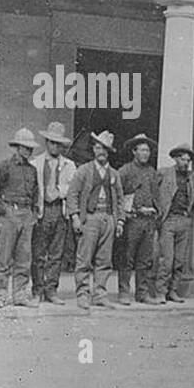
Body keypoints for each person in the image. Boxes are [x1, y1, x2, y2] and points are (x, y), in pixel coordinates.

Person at [65, 131, 124, 310]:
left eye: (105, 149)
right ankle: (83, 294)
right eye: (98, 147)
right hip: (89, 218)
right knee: (84, 259)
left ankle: (100, 294)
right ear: (93, 149)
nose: (101, 152)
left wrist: (119, 221)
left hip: (108, 218)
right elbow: (72, 194)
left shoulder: (114, 174)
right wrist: (75, 216)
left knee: (104, 260)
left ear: (109, 152)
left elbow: (120, 199)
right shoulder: (84, 170)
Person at [0, 127, 40, 307]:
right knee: (4, 258)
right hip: (8, 213)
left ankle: (20, 294)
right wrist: (5, 212)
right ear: (17, 147)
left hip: (26, 215)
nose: (28, 151)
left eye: (30, 148)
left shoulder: (32, 170)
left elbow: (35, 193)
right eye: (25, 147)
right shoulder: (3, 167)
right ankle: (1, 294)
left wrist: (32, 213)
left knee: (24, 259)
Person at [30, 122, 77, 304]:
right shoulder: (35, 163)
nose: (55, 146)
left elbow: (73, 188)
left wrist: (59, 190)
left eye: (59, 144)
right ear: (46, 142)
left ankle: (51, 290)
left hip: (59, 210)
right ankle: (37, 289)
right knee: (39, 253)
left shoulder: (69, 165)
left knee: (56, 254)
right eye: (52, 142)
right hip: (42, 211)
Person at [117, 133, 162, 305]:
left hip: (148, 222)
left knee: (145, 259)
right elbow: (119, 196)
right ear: (134, 151)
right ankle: (124, 292)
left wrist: (155, 212)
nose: (145, 153)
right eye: (142, 150)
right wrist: (132, 210)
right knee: (127, 258)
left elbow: (156, 196)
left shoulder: (152, 172)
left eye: (147, 150)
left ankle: (142, 293)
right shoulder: (125, 171)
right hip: (132, 220)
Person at [155, 143, 194, 303]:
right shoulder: (164, 173)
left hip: (184, 221)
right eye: (182, 159)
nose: (185, 162)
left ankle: (172, 291)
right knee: (167, 260)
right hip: (168, 220)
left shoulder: (191, 177)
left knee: (180, 260)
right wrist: (158, 210)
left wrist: (190, 215)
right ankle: (160, 291)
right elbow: (153, 191)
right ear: (175, 158)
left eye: (188, 160)